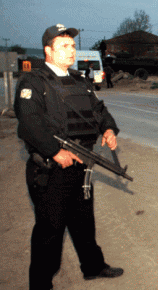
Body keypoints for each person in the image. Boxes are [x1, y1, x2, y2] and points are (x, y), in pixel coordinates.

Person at [14, 24, 124, 290]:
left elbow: (99, 110)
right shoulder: (33, 82)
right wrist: (54, 151)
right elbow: (28, 123)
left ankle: (93, 267)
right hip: (51, 169)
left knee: (84, 222)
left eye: (73, 46)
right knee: (50, 230)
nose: (71, 50)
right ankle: (40, 284)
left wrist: (108, 128)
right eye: (64, 46)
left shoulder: (79, 80)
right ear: (48, 51)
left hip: (81, 165)